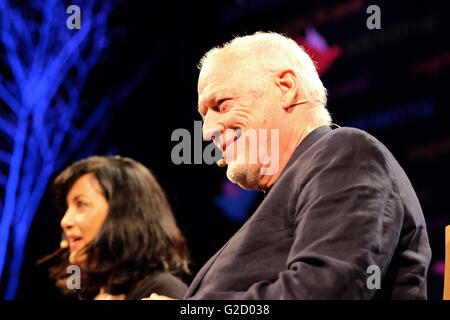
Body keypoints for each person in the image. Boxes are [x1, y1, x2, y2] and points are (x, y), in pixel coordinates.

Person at [171, 31, 431, 299]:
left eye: (221, 105)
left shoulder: (346, 152)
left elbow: (324, 290)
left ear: (286, 88)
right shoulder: (299, 181)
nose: (206, 131)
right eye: (204, 115)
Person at [39, 156, 190, 300]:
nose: (65, 221)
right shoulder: (91, 292)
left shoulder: (164, 292)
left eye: (81, 204)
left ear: (123, 213)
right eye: (67, 207)